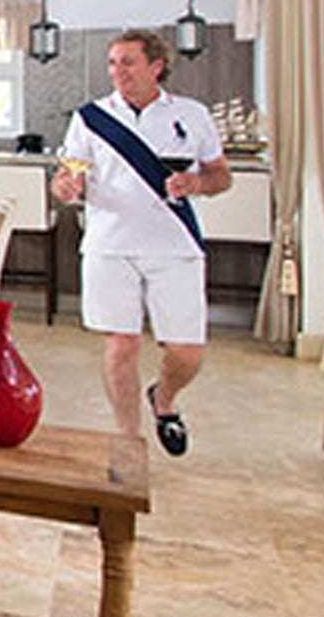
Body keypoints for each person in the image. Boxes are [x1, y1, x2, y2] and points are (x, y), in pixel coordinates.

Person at [51, 28, 232, 455]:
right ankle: (129, 441)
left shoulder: (191, 115)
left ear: (156, 66)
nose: (118, 72)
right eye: (112, 63)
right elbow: (69, 171)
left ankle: (164, 400)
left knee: (187, 353)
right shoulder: (90, 118)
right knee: (121, 346)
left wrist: (197, 182)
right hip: (108, 245)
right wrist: (66, 185)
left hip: (175, 245)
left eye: (127, 62)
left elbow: (221, 175)